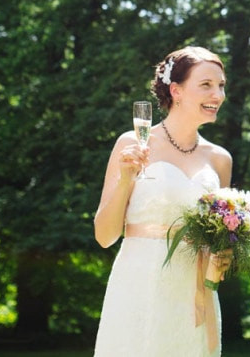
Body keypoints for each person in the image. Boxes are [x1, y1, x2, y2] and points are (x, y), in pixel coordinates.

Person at [93, 46, 233, 357]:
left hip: (194, 295)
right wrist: (127, 179)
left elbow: (218, 238)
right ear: (176, 90)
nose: (219, 94)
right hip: (139, 287)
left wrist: (223, 254)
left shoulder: (220, 159)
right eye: (207, 85)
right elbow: (104, 236)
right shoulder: (133, 143)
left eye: (221, 85)